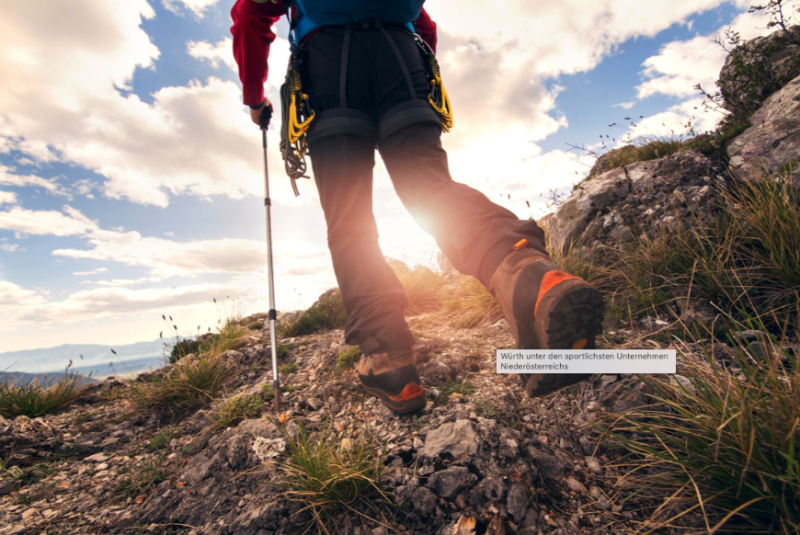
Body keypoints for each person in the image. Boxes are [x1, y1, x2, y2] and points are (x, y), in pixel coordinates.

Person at [230, 0, 605, 414]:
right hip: (400, 56)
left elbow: (250, 14)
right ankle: (525, 271)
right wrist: (411, 67)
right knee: (429, 186)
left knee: (349, 218)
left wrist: (254, 99)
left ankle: (389, 359)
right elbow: (423, 25)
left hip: (327, 66)